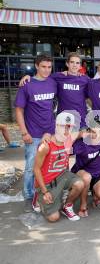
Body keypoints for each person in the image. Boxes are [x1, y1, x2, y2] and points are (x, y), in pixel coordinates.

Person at [15, 53, 57, 212]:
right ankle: (28, 196)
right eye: (43, 67)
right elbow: (19, 110)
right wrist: (24, 132)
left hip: (49, 132)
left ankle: (42, 192)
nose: (46, 70)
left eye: (49, 67)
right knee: (31, 166)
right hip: (32, 134)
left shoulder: (53, 83)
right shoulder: (27, 84)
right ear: (36, 66)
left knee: (46, 165)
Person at [33, 112, 85, 222]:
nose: (66, 131)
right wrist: (45, 191)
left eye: (69, 127)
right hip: (47, 183)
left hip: (62, 176)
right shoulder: (45, 146)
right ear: (56, 126)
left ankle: (67, 206)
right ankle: (38, 197)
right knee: (53, 218)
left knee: (80, 183)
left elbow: (84, 132)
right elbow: (36, 169)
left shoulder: (69, 138)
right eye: (63, 126)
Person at [20, 52, 90, 128]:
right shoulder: (58, 77)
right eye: (72, 62)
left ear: (80, 66)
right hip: (64, 121)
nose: (74, 65)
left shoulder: (85, 79)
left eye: (77, 63)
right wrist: (29, 77)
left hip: (81, 120)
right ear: (67, 64)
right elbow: (42, 77)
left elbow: (95, 89)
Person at [71, 124, 100, 215]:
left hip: (97, 176)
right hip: (82, 174)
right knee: (87, 177)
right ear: (88, 132)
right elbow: (65, 144)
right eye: (92, 131)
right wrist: (79, 134)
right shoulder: (82, 144)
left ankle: (95, 194)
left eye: (99, 132)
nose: (95, 135)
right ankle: (83, 204)